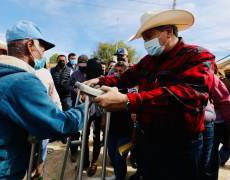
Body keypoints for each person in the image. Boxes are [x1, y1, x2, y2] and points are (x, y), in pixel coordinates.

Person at [85, 9, 215, 180]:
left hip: (180, 145)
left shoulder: (198, 56)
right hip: (148, 140)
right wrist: (100, 80)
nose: (146, 43)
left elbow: (190, 94)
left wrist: (127, 100)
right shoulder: (148, 61)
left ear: (168, 32)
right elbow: (127, 77)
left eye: (148, 37)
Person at [0, 20, 84, 179]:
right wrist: (88, 107)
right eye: (42, 47)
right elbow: (59, 124)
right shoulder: (21, 81)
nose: (43, 53)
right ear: (30, 45)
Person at [106, 61, 136, 180]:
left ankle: (120, 177)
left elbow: (136, 109)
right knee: (112, 155)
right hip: (113, 129)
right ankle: (118, 175)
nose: (118, 74)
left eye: (121, 71)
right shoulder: (112, 87)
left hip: (127, 132)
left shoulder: (133, 87)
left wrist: (134, 130)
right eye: (116, 71)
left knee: (120, 157)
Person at [68, 54, 88, 162]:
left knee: (85, 131)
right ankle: (73, 152)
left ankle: (85, 156)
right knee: (74, 129)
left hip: (88, 106)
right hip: (76, 105)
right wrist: (75, 90)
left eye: (84, 65)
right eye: (80, 65)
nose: (82, 67)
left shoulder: (91, 73)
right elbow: (69, 85)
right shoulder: (75, 74)